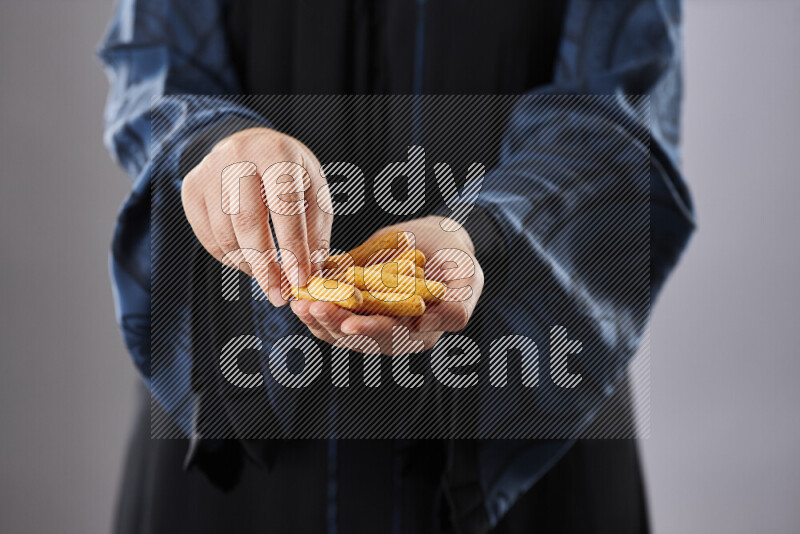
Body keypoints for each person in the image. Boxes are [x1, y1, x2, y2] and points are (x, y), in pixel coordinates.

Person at [98, 0, 694, 532]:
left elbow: (622, 109)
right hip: (243, 439)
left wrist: (485, 239)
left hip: (522, 425)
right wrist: (216, 144)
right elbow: (155, 56)